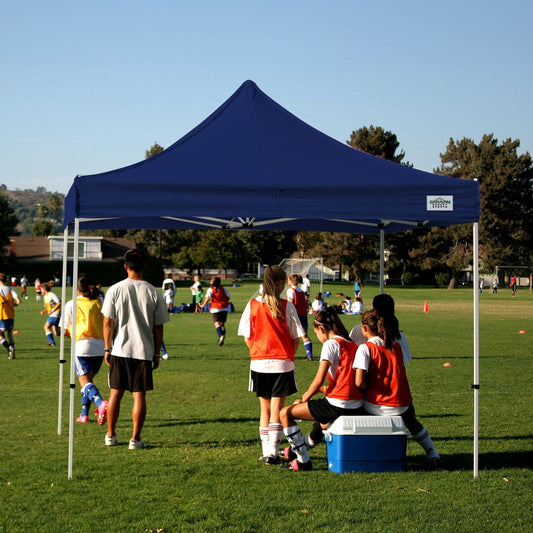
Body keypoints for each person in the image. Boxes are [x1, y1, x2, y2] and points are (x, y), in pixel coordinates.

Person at [280, 307, 366, 471]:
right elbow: (345, 380)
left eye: (317, 334)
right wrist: (321, 390)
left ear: (321, 329)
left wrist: (304, 399)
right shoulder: (352, 344)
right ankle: (293, 451)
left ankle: (304, 461)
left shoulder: (331, 344)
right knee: (322, 424)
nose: (318, 338)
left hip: (337, 404)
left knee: (285, 413)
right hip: (356, 404)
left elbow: (318, 378)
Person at [353, 310, 441, 467]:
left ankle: (362, 455)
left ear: (364, 328)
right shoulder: (397, 345)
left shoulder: (365, 349)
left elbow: (359, 382)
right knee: (413, 423)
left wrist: (368, 390)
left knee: (350, 411)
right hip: (403, 402)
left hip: (379, 404)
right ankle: (433, 453)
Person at [102, 249, 169, 450]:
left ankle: (111, 435)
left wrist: (107, 348)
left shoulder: (115, 289)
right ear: (144, 266)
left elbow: (107, 321)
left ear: (125, 266)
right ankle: (135, 439)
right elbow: (158, 328)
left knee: (115, 393)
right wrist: (157, 353)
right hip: (143, 351)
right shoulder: (153, 292)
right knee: (139, 395)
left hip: (120, 349)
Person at [238, 265, 305, 465]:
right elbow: (295, 338)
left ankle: (266, 450)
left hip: (259, 363)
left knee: (264, 409)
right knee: (276, 408)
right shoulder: (287, 305)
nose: (285, 285)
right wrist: (288, 355)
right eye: (283, 282)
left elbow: (247, 337)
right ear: (278, 283)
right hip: (282, 363)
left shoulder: (252, 305)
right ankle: (273, 453)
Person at [62, 275, 108, 424]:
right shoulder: (99, 303)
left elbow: (64, 330)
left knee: (85, 383)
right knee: (88, 382)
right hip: (100, 347)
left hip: (82, 347)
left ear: (77, 289)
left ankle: (101, 403)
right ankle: (84, 414)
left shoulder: (71, 304)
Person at [350, 293, 411, 364]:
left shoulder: (360, 329)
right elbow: (403, 363)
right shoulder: (398, 335)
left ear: (374, 308)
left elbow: (350, 356)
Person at [286, 273, 314, 361]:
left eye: (288, 280)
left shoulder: (290, 291)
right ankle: (310, 355)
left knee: (289, 335)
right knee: (304, 336)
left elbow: (291, 303)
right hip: (303, 315)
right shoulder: (301, 291)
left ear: (290, 281)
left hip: (295, 316)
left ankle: (289, 354)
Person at [200, 277, 230, 346]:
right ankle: (222, 336)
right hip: (224, 308)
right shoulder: (224, 288)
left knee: (217, 324)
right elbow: (228, 297)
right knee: (222, 324)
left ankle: (221, 336)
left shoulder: (211, 289)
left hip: (215, 308)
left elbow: (207, 298)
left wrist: (203, 305)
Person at [0, 272, 21, 359]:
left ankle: (9, 348)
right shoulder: (11, 289)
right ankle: (11, 353)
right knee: (10, 334)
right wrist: (14, 304)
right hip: (10, 315)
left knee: (0, 335)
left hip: (1, 315)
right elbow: (18, 301)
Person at [41, 282, 61, 346]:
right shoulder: (45, 297)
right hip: (54, 314)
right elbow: (49, 307)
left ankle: (52, 342)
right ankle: (72, 333)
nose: (40, 290)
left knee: (46, 327)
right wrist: (44, 311)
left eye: (41, 289)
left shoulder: (51, 295)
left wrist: (52, 310)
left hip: (56, 314)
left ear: (44, 289)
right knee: (56, 333)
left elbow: (59, 303)